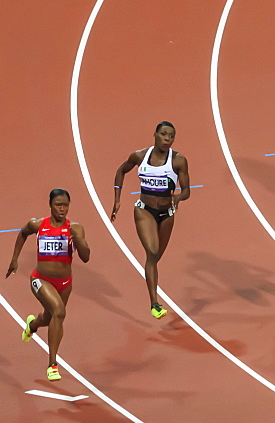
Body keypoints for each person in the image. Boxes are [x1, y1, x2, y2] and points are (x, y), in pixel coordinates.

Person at [6, 189, 91, 381]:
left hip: (65, 283)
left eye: (66, 205)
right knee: (59, 312)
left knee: (50, 317)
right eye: (58, 205)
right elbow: (22, 233)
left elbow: (85, 257)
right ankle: (52, 364)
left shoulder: (75, 228)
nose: (62, 209)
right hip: (41, 279)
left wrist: (78, 240)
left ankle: (33, 324)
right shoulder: (38, 224)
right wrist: (14, 259)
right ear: (50, 205)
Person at [110, 121, 190, 319]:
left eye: (171, 136)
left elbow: (187, 190)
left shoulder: (178, 161)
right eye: (163, 134)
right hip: (144, 211)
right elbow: (121, 171)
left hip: (167, 215)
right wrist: (117, 200)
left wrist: (177, 197)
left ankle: (153, 293)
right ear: (154, 134)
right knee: (152, 252)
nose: (167, 139)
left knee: (155, 258)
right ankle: (154, 303)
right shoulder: (139, 156)